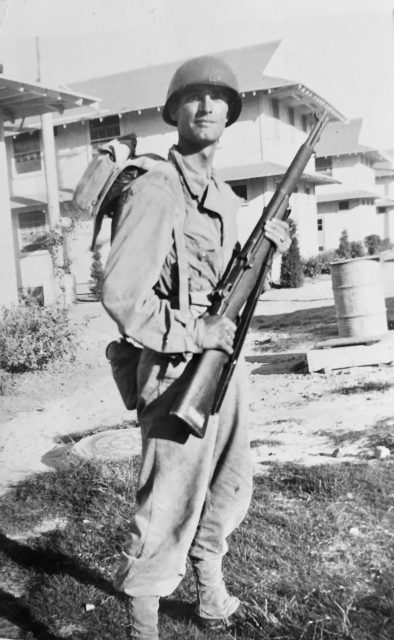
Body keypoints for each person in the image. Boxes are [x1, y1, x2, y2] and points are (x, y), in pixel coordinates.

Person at [101, 55, 290, 640]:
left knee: (230, 485)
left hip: (224, 367)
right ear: (174, 111)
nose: (207, 106)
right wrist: (194, 332)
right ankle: (143, 626)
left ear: (231, 113)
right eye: (194, 97)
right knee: (168, 504)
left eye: (219, 98)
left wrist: (269, 252)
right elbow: (122, 294)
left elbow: (231, 288)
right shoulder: (158, 189)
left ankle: (211, 596)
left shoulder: (225, 198)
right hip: (175, 366)